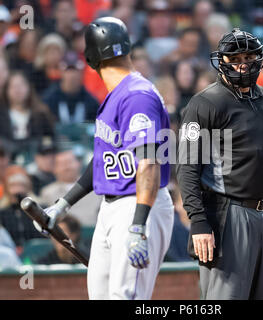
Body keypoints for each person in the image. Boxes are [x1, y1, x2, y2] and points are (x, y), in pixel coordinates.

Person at [34, 17, 174, 300]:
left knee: (126, 297)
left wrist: (138, 226)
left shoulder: (137, 95)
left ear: (90, 58)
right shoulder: (117, 95)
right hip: (112, 207)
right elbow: (101, 161)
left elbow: (149, 163)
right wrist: (62, 205)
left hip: (138, 206)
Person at [176, 28, 263, 300]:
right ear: (222, 62)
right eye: (235, 57)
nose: (243, 63)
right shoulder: (205, 103)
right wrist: (199, 222)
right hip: (228, 214)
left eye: (249, 56)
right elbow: (187, 167)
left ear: (259, 59)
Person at [39, 150, 101, 227]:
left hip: (93, 233)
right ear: (54, 169)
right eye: (62, 164)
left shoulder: (96, 187)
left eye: (69, 162)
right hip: (63, 235)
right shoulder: (47, 192)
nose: (66, 167)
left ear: (79, 164)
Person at [0, 71, 55, 158]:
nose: (17, 90)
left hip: (37, 161)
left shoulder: (40, 114)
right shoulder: (1, 116)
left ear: (29, 87)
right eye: (13, 86)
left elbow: (49, 138)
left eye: (21, 85)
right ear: (6, 90)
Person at [42, 51, 99, 125]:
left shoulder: (91, 102)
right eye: (68, 70)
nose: (72, 75)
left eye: (75, 70)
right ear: (61, 72)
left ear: (82, 72)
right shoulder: (49, 99)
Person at [0, 166, 43, 253]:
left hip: (36, 252)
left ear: (27, 187)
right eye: (13, 185)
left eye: (21, 185)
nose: (17, 190)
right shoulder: (2, 213)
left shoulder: (38, 210)